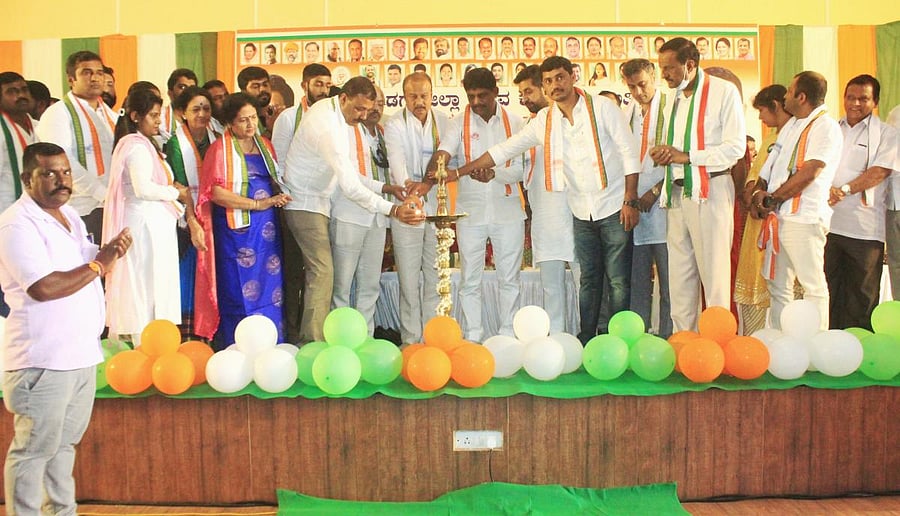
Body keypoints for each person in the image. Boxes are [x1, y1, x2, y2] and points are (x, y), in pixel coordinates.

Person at [452, 57, 640, 343]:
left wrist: (630, 199)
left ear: (573, 76)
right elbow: (504, 151)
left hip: (611, 205)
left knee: (615, 281)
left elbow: (628, 152)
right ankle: (583, 341)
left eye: (560, 78)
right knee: (586, 282)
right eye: (549, 81)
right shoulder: (544, 121)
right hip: (575, 212)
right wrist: (457, 172)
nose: (555, 85)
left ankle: (618, 340)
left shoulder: (603, 108)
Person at [0, 142, 131, 515]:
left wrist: (109, 252)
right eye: (49, 174)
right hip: (42, 359)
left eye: (66, 172)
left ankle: (62, 511)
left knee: (62, 447)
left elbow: (85, 260)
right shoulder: (15, 224)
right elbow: (42, 287)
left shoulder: (69, 215)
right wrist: (99, 266)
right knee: (32, 451)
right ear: (27, 179)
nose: (62, 181)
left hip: (79, 355)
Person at [281, 77, 423, 343]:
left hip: (323, 203)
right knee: (326, 275)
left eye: (368, 110)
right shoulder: (329, 127)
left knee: (356, 282)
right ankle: (319, 343)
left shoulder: (340, 116)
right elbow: (349, 186)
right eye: (358, 109)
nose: (362, 115)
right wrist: (392, 209)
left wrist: (385, 188)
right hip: (305, 202)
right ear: (344, 98)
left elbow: (355, 176)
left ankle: (361, 341)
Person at [649, 37, 745, 332]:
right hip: (676, 191)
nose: (664, 74)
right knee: (679, 274)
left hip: (711, 189)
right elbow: (668, 144)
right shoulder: (668, 98)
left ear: (690, 65)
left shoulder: (723, 92)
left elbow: (735, 147)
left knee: (714, 273)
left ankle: (718, 343)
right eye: (661, 67)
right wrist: (662, 152)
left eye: (669, 68)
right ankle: (684, 342)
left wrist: (687, 156)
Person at [485, 65, 577, 334]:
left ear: (546, 89)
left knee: (586, 283)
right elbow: (520, 170)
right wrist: (492, 173)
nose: (524, 98)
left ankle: (587, 339)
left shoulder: (570, 121)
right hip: (543, 218)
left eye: (529, 91)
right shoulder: (529, 127)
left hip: (576, 214)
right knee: (551, 286)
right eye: (521, 93)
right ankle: (558, 341)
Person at [194, 93, 292, 346]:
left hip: (267, 230)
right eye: (243, 121)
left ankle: (272, 342)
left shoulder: (265, 145)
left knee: (271, 285)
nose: (250, 125)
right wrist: (258, 204)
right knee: (238, 288)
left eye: (253, 119)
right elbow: (214, 192)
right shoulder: (219, 150)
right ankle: (237, 346)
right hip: (235, 231)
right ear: (229, 123)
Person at [102, 89, 196, 345]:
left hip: (153, 225)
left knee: (153, 285)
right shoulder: (135, 146)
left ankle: (154, 344)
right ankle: (144, 345)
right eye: (153, 116)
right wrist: (174, 192)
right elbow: (143, 188)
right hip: (143, 227)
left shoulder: (144, 144)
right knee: (144, 287)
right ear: (135, 116)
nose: (158, 121)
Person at [750, 71, 842, 331]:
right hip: (780, 218)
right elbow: (771, 166)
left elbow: (809, 172)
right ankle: (783, 341)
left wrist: (772, 200)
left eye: (789, 92)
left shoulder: (826, 126)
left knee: (813, 285)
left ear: (801, 97)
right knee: (779, 285)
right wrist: (759, 191)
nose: (786, 95)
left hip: (804, 217)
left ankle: (817, 344)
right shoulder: (792, 124)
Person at [384, 72, 455, 344]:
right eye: (413, 96)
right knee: (409, 279)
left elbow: (450, 161)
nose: (419, 101)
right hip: (406, 206)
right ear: (404, 97)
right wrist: (413, 191)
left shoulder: (445, 122)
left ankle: (434, 338)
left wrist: (426, 187)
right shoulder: (394, 125)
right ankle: (411, 341)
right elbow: (397, 165)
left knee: (436, 275)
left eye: (424, 95)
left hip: (437, 206)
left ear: (432, 94)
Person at [825, 75, 897, 330]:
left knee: (862, 297)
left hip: (865, 231)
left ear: (875, 102)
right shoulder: (832, 128)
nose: (855, 103)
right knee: (830, 291)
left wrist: (843, 190)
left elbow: (879, 172)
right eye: (850, 97)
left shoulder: (887, 134)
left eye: (863, 98)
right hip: (829, 227)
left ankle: (860, 351)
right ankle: (831, 348)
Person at [37, 50, 118, 244]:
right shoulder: (57, 114)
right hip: (79, 208)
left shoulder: (110, 116)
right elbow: (62, 163)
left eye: (99, 72)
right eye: (86, 72)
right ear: (71, 79)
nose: (95, 78)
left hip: (111, 206)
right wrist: (102, 193)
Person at [330, 86, 392, 335]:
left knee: (370, 284)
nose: (374, 109)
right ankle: (339, 338)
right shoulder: (342, 130)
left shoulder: (384, 134)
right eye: (370, 104)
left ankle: (365, 336)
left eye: (380, 103)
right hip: (348, 213)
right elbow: (351, 179)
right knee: (342, 285)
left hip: (377, 217)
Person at [622, 59, 671, 337]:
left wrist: (655, 192)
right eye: (632, 87)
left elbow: (679, 156)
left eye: (643, 84)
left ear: (654, 78)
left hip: (665, 204)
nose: (639, 91)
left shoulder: (672, 108)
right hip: (636, 207)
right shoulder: (628, 112)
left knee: (669, 280)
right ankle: (637, 339)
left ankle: (669, 336)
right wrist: (630, 198)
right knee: (637, 280)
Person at [734, 84, 788, 335]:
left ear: (776, 105)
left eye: (762, 111)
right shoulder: (771, 137)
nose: (760, 117)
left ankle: (781, 339)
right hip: (757, 222)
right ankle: (754, 342)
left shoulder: (793, 138)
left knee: (782, 286)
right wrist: (750, 191)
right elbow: (755, 175)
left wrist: (759, 196)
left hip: (776, 221)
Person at [164, 86, 217, 338]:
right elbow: (181, 186)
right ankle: (189, 335)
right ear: (182, 113)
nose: (202, 114)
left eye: (206, 108)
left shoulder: (217, 138)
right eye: (195, 109)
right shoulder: (175, 145)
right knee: (188, 275)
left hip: (216, 215)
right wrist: (193, 220)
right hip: (186, 220)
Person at [238, 66, 279, 139]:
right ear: (243, 91)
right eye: (255, 87)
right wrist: (270, 130)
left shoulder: (277, 115)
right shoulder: (240, 119)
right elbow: (249, 147)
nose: (262, 89)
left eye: (265, 85)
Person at [162, 68, 198, 143]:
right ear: (170, 92)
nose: (188, 92)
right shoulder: (159, 118)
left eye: (192, 88)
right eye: (182, 87)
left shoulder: (207, 121)